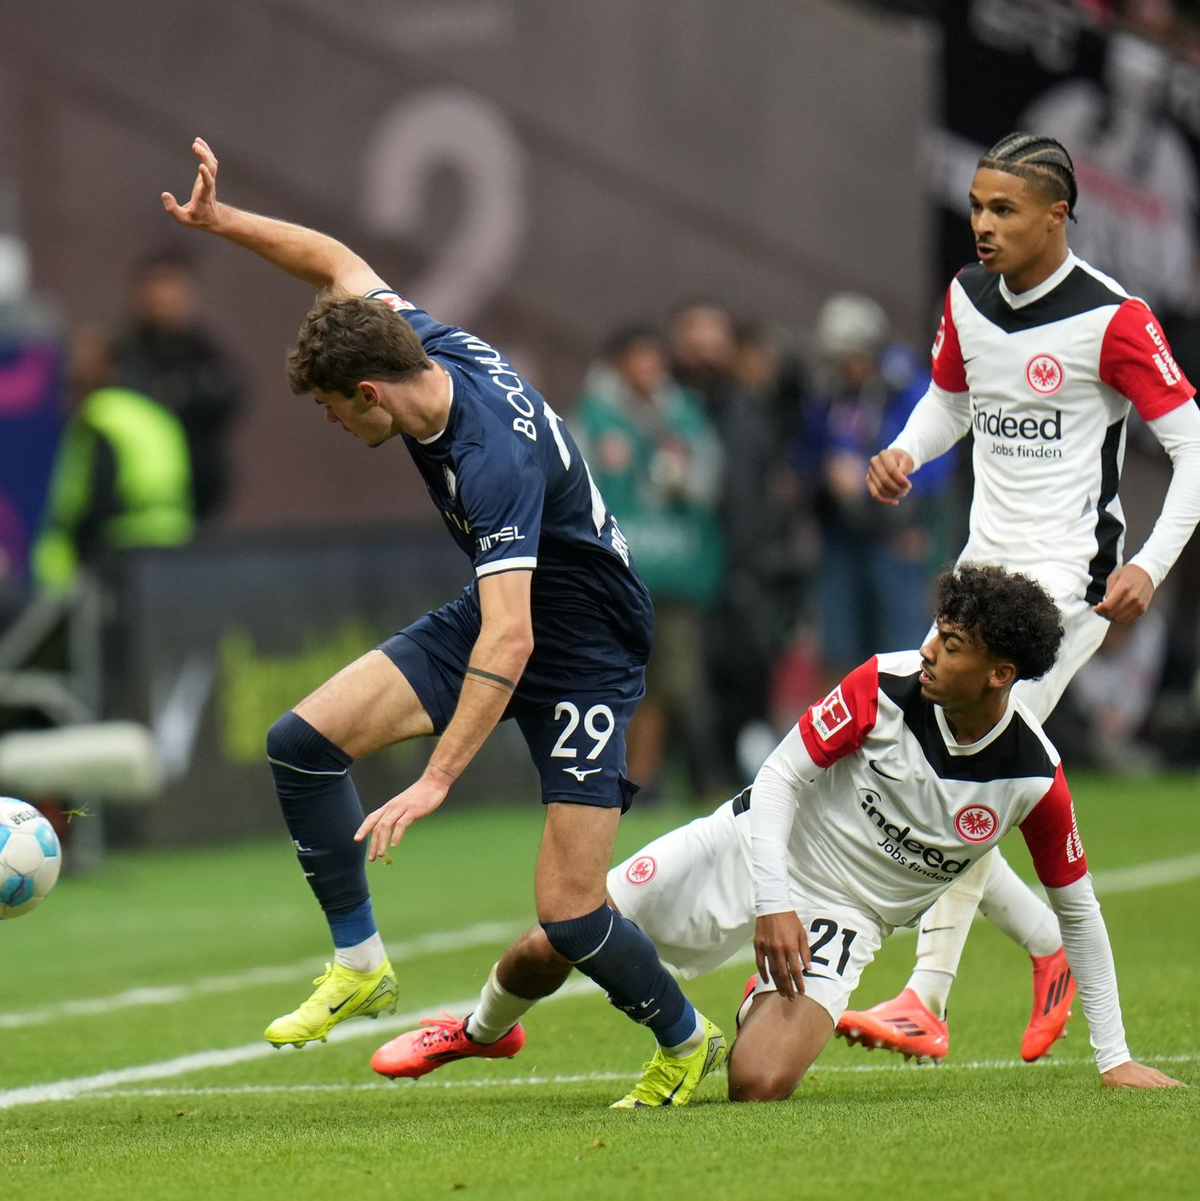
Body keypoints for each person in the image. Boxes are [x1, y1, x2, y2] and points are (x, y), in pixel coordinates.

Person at [160, 139, 725, 1109]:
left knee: (570, 909)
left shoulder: (488, 458)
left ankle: (684, 1038)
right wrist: (223, 223)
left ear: (370, 390)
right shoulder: (416, 340)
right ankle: (362, 962)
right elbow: (336, 262)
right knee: (301, 742)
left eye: (336, 410)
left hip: (586, 643)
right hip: (512, 606)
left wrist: (434, 781)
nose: (334, 423)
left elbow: (513, 642)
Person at [375, 565, 1184, 1098]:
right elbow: (779, 780)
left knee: (757, 1083)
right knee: (552, 940)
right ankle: (479, 1031)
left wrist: (1113, 1058)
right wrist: (772, 902)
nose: (931, 650)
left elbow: (1078, 911)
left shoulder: (1032, 777)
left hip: (846, 922)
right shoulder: (884, 684)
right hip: (750, 849)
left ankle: (759, 1005)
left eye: (956, 645)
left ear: (1001, 674)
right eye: (937, 630)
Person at [845, 131, 1200, 1063]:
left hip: (1066, 584)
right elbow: (952, 400)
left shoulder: (1115, 321)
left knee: (967, 766)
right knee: (948, 764)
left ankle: (929, 994)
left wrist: (1150, 565)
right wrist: (907, 454)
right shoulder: (966, 296)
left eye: (1004, 209)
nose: (984, 226)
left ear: (1058, 215)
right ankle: (1043, 950)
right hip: (981, 565)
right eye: (975, 207)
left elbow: (1194, 446)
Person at [571, 324, 724, 796]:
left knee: (668, 684)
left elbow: (712, 480)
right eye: (637, 359)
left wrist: (683, 480)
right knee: (612, 677)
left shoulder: (683, 413)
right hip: (613, 572)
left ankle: (641, 776)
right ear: (619, 363)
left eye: (653, 359)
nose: (646, 369)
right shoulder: (591, 417)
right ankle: (601, 774)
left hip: (675, 569)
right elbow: (567, 483)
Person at [31, 322, 195, 592]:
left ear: (104, 365)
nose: (70, 369)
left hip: (113, 559)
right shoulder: (156, 414)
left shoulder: (99, 416)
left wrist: (75, 556)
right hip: (171, 553)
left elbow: (92, 497)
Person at [112, 250, 244, 523]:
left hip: (200, 496)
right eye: (156, 287)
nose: (165, 298)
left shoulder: (208, 354)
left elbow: (231, 396)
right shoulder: (123, 356)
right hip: (135, 503)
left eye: (174, 287)